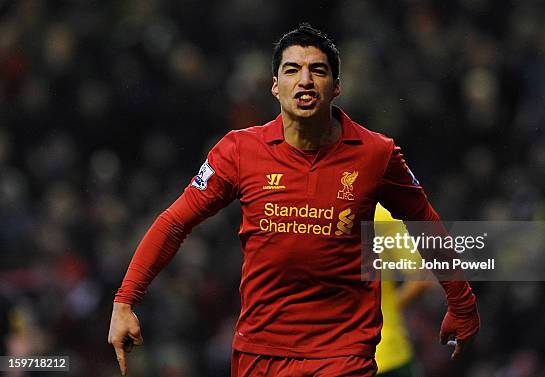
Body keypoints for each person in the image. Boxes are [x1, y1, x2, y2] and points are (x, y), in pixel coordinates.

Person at [108, 23, 480, 377]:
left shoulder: (376, 154)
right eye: (292, 70)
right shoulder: (239, 151)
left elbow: (423, 221)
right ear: (275, 86)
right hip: (260, 353)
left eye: (318, 70)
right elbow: (175, 223)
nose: (304, 80)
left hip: (343, 353)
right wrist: (125, 301)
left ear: (336, 87)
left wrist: (461, 302)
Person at [374, 203, 434, 377]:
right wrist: (386, 310)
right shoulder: (378, 214)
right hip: (385, 352)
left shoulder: (302, 217)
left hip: (325, 358)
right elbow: (422, 276)